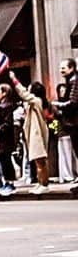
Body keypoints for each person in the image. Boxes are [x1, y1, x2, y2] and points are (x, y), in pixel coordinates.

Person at [10, 72, 50, 193]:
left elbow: (24, 94)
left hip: (37, 133)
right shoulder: (37, 102)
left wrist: (14, 79)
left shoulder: (37, 100)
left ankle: (44, 184)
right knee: (38, 161)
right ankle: (40, 183)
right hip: (33, 133)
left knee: (40, 161)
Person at [56, 59, 78, 192]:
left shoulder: (74, 80)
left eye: (64, 68)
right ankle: (68, 175)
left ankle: (68, 175)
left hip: (71, 124)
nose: (61, 70)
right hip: (66, 126)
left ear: (72, 68)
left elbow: (73, 102)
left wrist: (58, 105)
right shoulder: (69, 82)